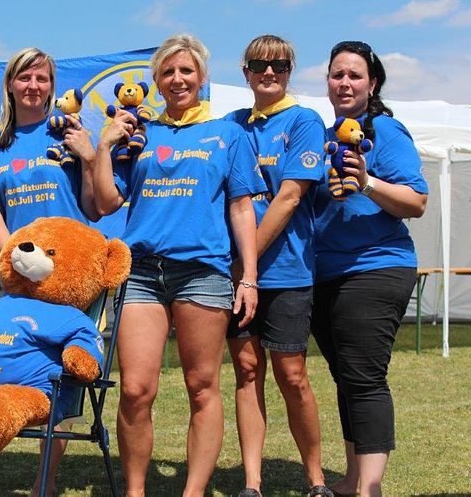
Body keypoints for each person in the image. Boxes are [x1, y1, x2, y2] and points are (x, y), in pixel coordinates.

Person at [90, 34, 264, 497]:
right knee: (135, 390)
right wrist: (105, 147)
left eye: (186, 70)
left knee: (202, 386)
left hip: (204, 272)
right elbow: (107, 202)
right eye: (168, 72)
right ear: (156, 83)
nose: (178, 78)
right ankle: (135, 491)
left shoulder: (229, 133)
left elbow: (242, 209)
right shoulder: (140, 133)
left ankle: (193, 492)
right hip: (142, 272)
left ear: (202, 78)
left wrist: (247, 277)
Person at [0, 47, 98, 497]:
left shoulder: (68, 133)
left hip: (67, 281)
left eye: (42, 79)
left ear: (52, 87)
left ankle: (47, 480)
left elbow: (96, 204)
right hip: (16, 279)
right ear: (10, 85)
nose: (33, 87)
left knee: (61, 376)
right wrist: (18, 260)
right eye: (25, 78)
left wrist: (91, 154)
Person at [311, 41, 428, 497]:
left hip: (377, 267)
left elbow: (416, 202)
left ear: (372, 83)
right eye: (337, 74)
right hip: (327, 273)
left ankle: (371, 488)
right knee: (347, 376)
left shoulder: (385, 131)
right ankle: (354, 477)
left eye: (354, 75)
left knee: (364, 377)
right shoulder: (323, 135)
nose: (344, 83)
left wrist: (368, 181)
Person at [224, 35, 332, 497]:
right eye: (259, 64)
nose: (269, 72)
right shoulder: (229, 125)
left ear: (290, 71)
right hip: (234, 274)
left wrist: (245, 264)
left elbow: (289, 197)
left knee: (292, 376)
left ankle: (316, 479)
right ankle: (252, 483)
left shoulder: (305, 121)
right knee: (247, 372)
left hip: (285, 271)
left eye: (280, 65)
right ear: (245, 71)